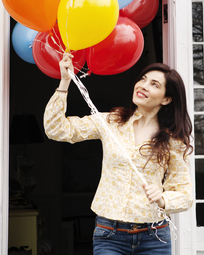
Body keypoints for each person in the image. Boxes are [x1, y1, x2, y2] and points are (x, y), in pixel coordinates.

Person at [44, 53, 193, 255]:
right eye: (143, 79)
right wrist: (64, 82)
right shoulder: (112, 122)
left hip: (154, 237)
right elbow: (56, 129)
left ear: (166, 99)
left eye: (154, 84)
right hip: (109, 235)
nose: (143, 85)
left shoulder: (173, 141)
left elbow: (185, 194)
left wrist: (163, 199)